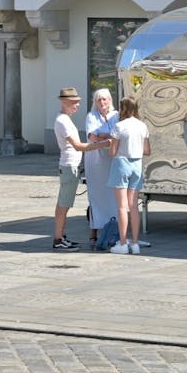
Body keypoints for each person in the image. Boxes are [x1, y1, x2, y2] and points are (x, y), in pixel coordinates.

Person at [49, 87, 98, 250]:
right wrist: (103, 145)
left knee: (64, 204)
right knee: (64, 204)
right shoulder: (63, 121)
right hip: (69, 166)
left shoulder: (64, 119)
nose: (77, 105)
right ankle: (58, 239)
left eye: (78, 102)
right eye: (74, 102)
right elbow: (77, 146)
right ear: (64, 102)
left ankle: (61, 236)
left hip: (70, 166)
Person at [108, 96, 151, 255]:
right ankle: (135, 243)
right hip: (137, 165)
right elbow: (147, 151)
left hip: (121, 164)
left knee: (121, 206)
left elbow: (112, 152)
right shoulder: (142, 126)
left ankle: (123, 243)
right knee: (133, 206)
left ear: (123, 108)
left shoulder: (118, 126)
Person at [82, 88, 120, 250]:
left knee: (113, 196)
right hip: (96, 161)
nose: (102, 102)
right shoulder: (91, 116)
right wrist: (107, 137)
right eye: (99, 100)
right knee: (96, 196)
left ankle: (114, 231)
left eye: (105, 99)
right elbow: (92, 136)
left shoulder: (116, 115)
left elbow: (116, 135)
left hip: (112, 160)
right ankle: (94, 233)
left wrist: (104, 136)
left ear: (110, 100)